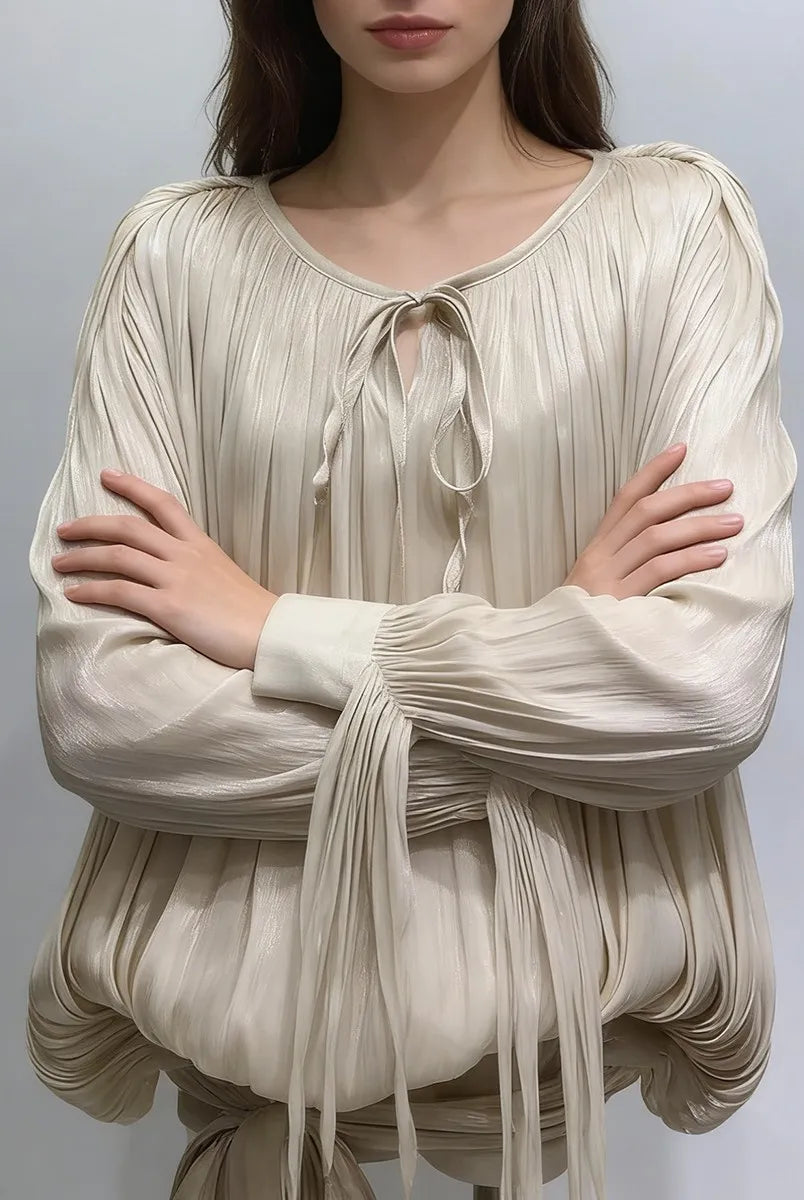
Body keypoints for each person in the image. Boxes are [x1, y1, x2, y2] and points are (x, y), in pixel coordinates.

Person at [25, 2, 796, 1199]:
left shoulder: (674, 232)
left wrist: (275, 629)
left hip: (560, 1063)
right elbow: (105, 715)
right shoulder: (175, 261)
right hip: (255, 1088)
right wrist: (557, 661)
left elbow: (701, 692)